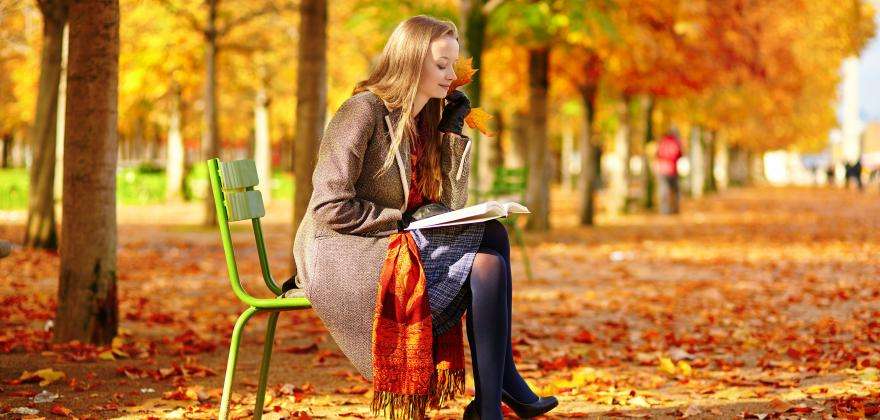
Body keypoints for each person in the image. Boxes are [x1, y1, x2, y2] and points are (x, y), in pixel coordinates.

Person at [292, 15, 557, 419]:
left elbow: (449, 202)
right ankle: (499, 394)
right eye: (441, 65)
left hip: (393, 242)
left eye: (453, 64)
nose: (451, 76)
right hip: (345, 252)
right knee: (486, 257)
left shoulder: (423, 120)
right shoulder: (361, 112)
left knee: (491, 239)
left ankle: (492, 402)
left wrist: (451, 133)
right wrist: (401, 220)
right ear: (411, 62)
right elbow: (329, 208)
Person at [656, 129, 683, 214]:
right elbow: (680, 154)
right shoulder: (675, 143)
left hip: (662, 170)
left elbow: (657, 154)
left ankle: (664, 210)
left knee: (663, 191)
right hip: (672, 170)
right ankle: (675, 209)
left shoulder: (661, 143)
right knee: (676, 191)